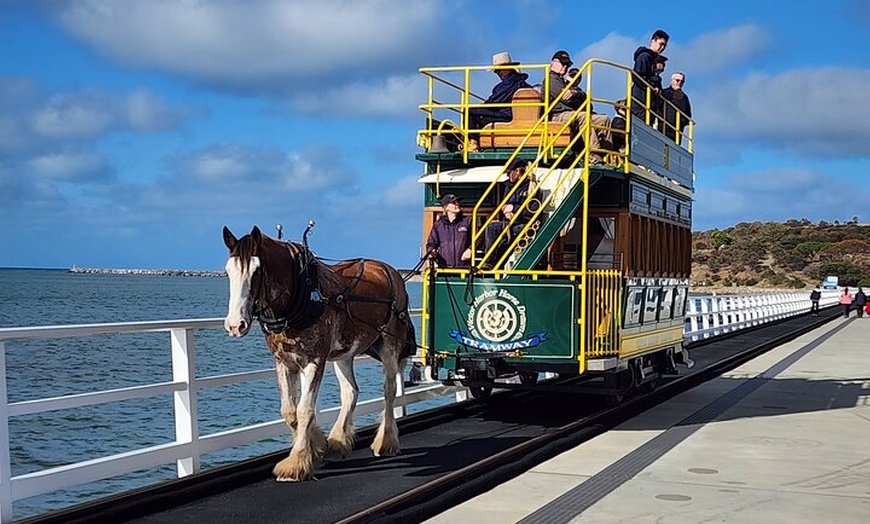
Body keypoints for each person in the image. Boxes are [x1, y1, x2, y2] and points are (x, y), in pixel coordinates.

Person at [548, 51, 612, 163]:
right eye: (562, 63)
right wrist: (576, 96)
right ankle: (593, 155)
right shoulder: (551, 79)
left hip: (570, 114)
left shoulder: (562, 81)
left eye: (567, 65)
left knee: (604, 120)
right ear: (553, 63)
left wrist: (576, 94)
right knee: (584, 116)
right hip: (558, 115)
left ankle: (609, 156)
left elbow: (583, 99)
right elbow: (566, 99)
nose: (565, 67)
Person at [466, 52, 531, 152]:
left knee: (470, 111)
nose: (497, 73)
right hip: (513, 115)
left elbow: (495, 101)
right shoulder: (519, 81)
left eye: (498, 70)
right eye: (496, 71)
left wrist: (482, 107)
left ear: (506, 68)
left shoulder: (509, 83)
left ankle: (473, 142)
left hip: (507, 116)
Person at [484, 159, 537, 264]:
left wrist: (514, 208)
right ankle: (492, 262)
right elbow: (505, 204)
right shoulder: (509, 187)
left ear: (517, 171)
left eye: (509, 173)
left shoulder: (531, 187)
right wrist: (506, 211)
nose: (508, 176)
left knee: (492, 229)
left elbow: (533, 209)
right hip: (510, 222)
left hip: (525, 224)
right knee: (492, 230)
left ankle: (490, 262)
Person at [632, 29, 669, 122]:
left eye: (664, 45)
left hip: (649, 104)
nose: (662, 47)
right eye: (661, 44)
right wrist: (652, 87)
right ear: (653, 41)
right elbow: (638, 76)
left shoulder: (653, 59)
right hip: (641, 103)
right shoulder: (645, 56)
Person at [425, 194, 472, 268]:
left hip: (465, 268)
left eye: (457, 202)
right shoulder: (438, 225)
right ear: (446, 207)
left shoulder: (468, 221)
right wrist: (432, 251)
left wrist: (470, 249)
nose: (457, 204)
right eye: (454, 202)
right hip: (444, 269)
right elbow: (431, 243)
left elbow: (479, 238)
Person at [662, 71, 692, 145]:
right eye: (677, 80)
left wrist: (682, 122)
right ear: (672, 80)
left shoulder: (685, 98)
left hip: (677, 130)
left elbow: (688, 115)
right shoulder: (664, 93)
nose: (679, 83)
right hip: (663, 127)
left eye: (682, 81)